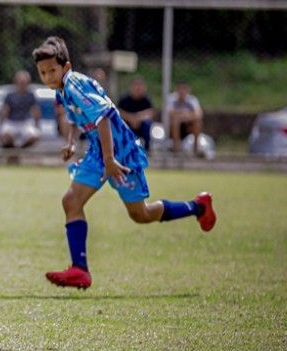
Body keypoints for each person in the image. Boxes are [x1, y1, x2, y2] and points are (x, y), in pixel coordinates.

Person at [32, 36, 216, 289]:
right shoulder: (62, 89)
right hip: (100, 151)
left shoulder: (74, 84)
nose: (48, 77)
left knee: (141, 215)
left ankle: (198, 206)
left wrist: (110, 160)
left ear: (66, 67)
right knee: (71, 201)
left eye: (52, 70)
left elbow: (104, 117)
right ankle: (80, 270)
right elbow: (76, 117)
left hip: (120, 152)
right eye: (43, 73)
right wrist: (72, 142)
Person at [0, 70, 42, 148]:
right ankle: (13, 150)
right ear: (16, 82)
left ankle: (20, 148)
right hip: (12, 122)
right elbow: (5, 111)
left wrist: (37, 126)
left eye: (24, 82)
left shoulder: (30, 96)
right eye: (21, 82)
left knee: (35, 136)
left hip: (25, 122)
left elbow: (35, 111)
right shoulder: (10, 96)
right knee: (6, 135)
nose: (22, 84)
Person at [166, 82, 205, 156]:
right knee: (175, 121)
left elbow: (198, 114)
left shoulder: (192, 100)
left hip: (188, 126)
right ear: (176, 90)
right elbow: (170, 113)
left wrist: (184, 116)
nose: (182, 91)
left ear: (188, 91)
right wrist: (185, 115)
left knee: (197, 122)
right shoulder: (171, 99)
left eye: (184, 89)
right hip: (173, 127)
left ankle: (196, 148)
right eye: (180, 89)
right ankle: (176, 149)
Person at [118, 76, 154, 151]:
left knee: (147, 124)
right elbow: (119, 112)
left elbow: (150, 113)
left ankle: (147, 148)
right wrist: (131, 118)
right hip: (128, 123)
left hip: (141, 124)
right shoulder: (124, 99)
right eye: (135, 85)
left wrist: (138, 118)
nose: (138, 88)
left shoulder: (146, 100)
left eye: (140, 85)